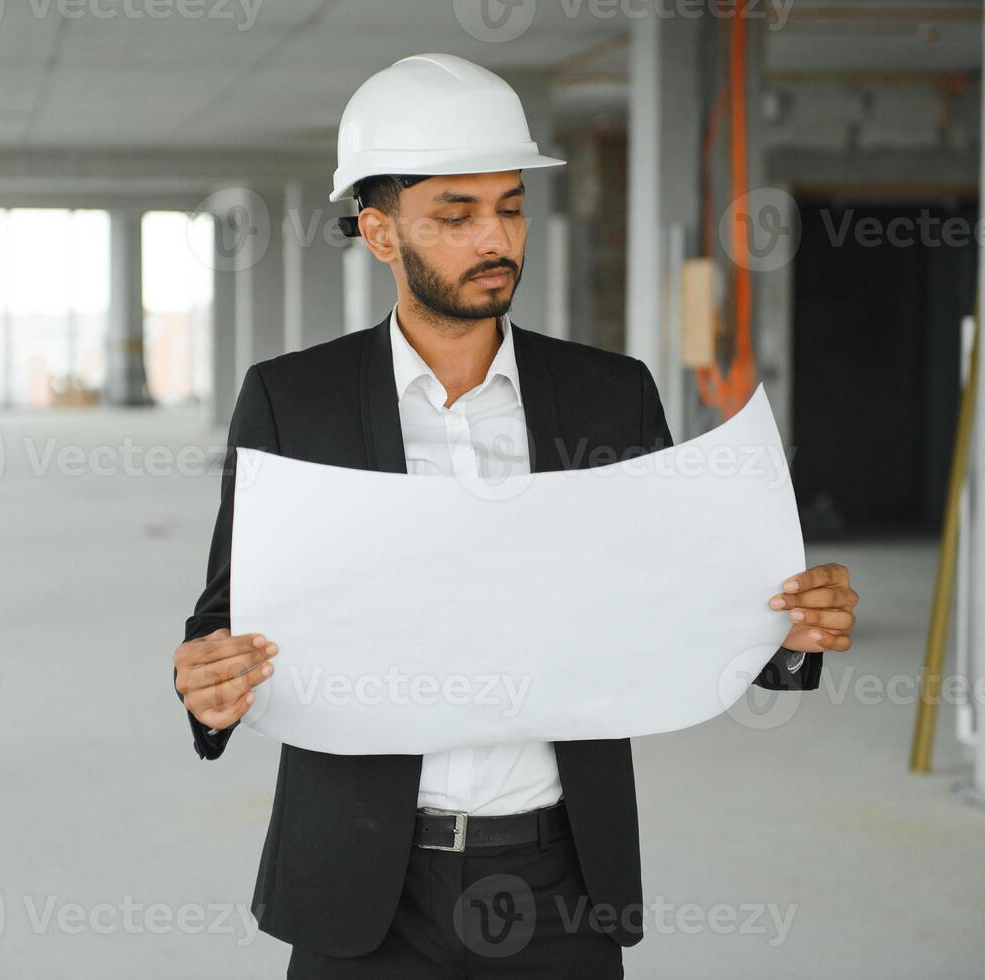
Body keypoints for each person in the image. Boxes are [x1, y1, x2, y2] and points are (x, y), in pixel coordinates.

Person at [173, 53, 858, 978]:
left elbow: (673, 600)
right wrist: (206, 685)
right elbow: (227, 614)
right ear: (379, 233)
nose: (495, 238)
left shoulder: (609, 396)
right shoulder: (296, 402)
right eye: (456, 215)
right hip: (366, 878)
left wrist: (788, 631)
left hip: (562, 880)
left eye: (509, 206)